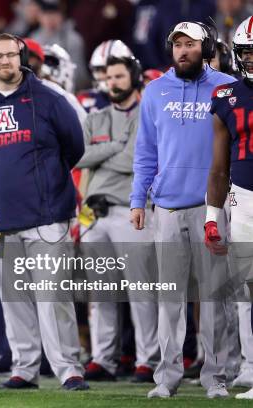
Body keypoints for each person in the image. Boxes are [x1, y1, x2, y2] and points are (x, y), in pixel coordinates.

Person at [0, 32, 87, 391]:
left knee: (54, 299)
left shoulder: (51, 99)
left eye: (11, 54)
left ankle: (68, 369)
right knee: (14, 300)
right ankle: (25, 368)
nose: (5, 62)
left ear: (22, 57)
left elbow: (75, 148)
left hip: (47, 218)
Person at [130, 21, 235, 399]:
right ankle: (166, 379)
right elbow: (145, 152)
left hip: (213, 207)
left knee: (213, 300)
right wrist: (137, 199)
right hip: (167, 210)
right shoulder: (155, 91)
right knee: (169, 300)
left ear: (205, 47)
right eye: (177, 45)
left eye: (190, 44)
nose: (183, 51)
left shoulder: (227, 87)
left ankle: (216, 379)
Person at [76, 55, 159, 383]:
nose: (113, 82)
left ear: (134, 77)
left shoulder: (148, 114)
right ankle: (103, 359)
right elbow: (77, 156)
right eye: (109, 76)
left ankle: (148, 361)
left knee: (142, 291)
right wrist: (115, 146)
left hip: (133, 210)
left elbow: (136, 162)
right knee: (102, 292)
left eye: (120, 75)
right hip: (95, 215)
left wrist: (104, 157)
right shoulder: (95, 118)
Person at [204, 15, 253, 399]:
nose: (251, 60)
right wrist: (211, 216)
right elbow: (219, 166)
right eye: (248, 53)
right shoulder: (226, 96)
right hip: (244, 196)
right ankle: (251, 368)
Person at [77, 40, 133, 113]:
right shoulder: (84, 99)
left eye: (106, 69)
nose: (103, 75)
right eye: (98, 69)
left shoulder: (141, 99)